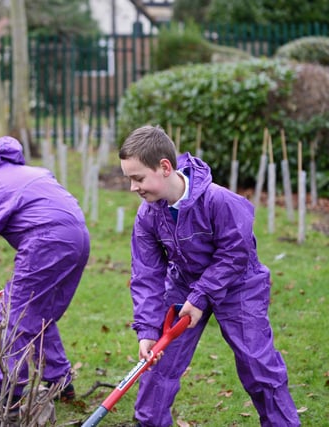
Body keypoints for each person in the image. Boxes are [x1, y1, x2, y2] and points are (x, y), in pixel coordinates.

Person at [118, 125, 300, 427]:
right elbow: (147, 274)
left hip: (239, 284)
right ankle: (149, 423)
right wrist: (148, 330)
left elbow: (234, 254)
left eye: (137, 178)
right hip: (184, 284)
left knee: (256, 362)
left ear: (165, 167)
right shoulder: (148, 215)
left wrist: (201, 297)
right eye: (129, 179)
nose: (133, 187)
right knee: (158, 363)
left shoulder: (220, 201)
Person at [0, 131, 90, 413]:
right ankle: (61, 382)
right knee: (40, 311)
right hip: (79, 237)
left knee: (16, 311)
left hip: (47, 240)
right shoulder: (26, 172)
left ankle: (8, 394)